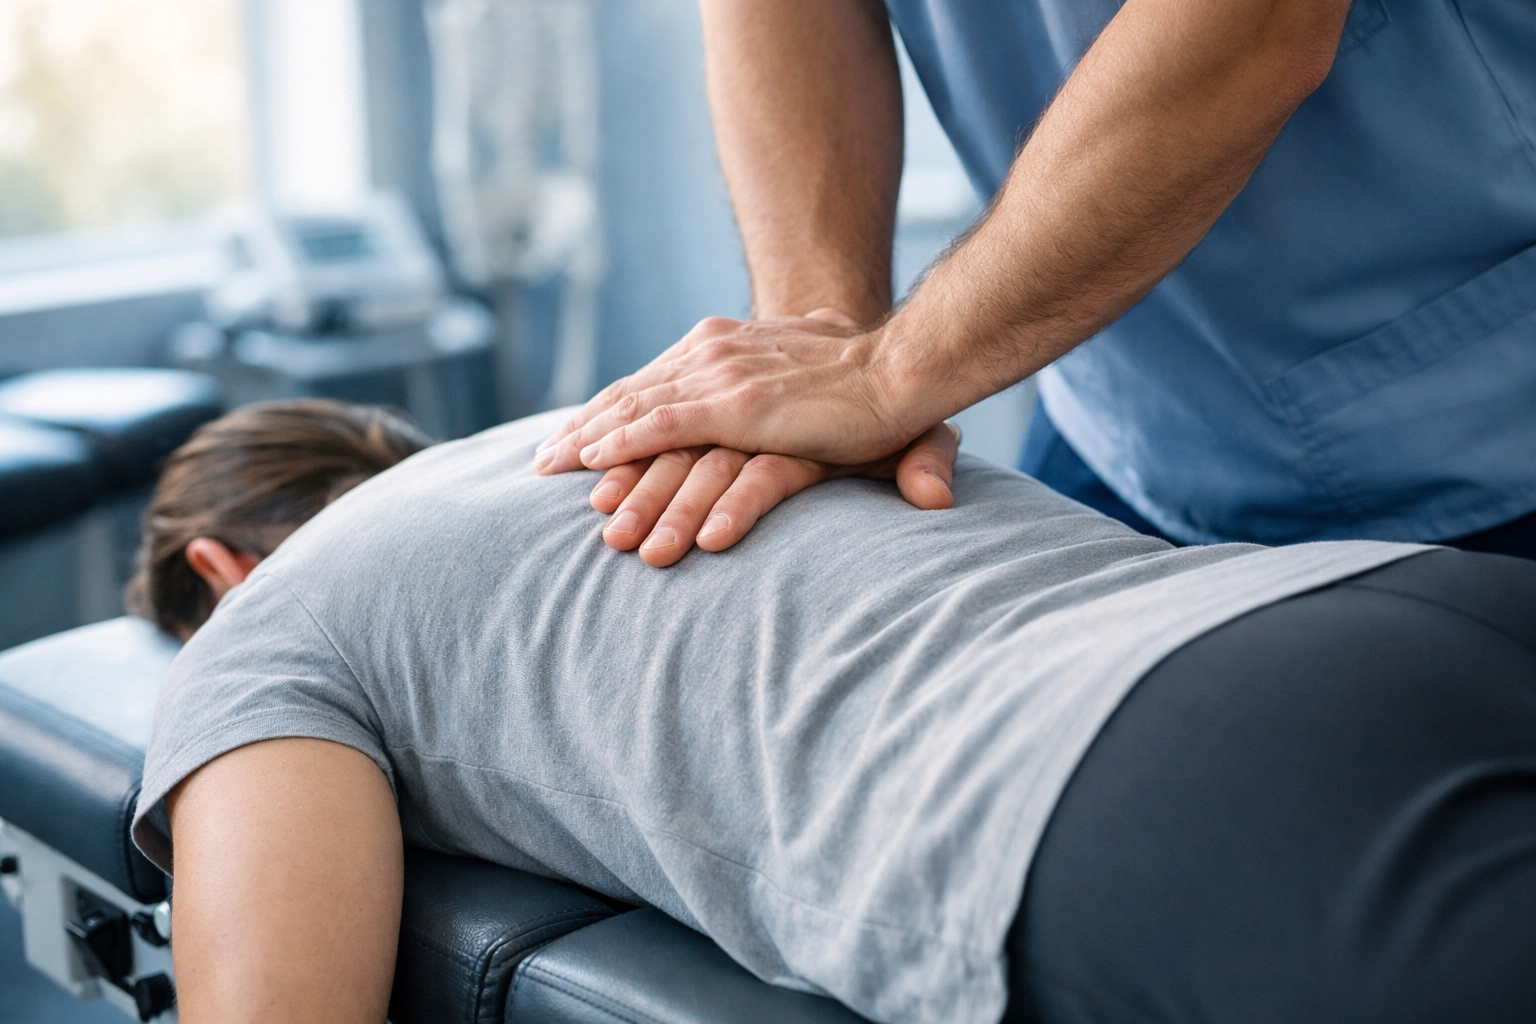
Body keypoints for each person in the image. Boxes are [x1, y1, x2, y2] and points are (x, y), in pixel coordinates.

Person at [127, 403, 1536, 1024]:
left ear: (217, 574)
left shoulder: (263, 628)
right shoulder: (623, 417)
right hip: (1400, 604)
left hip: (1150, 781)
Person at [534, 0, 1536, 564]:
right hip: (1128, 410)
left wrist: (888, 378)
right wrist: (814, 331)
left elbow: (1255, 22)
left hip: (1475, 398)